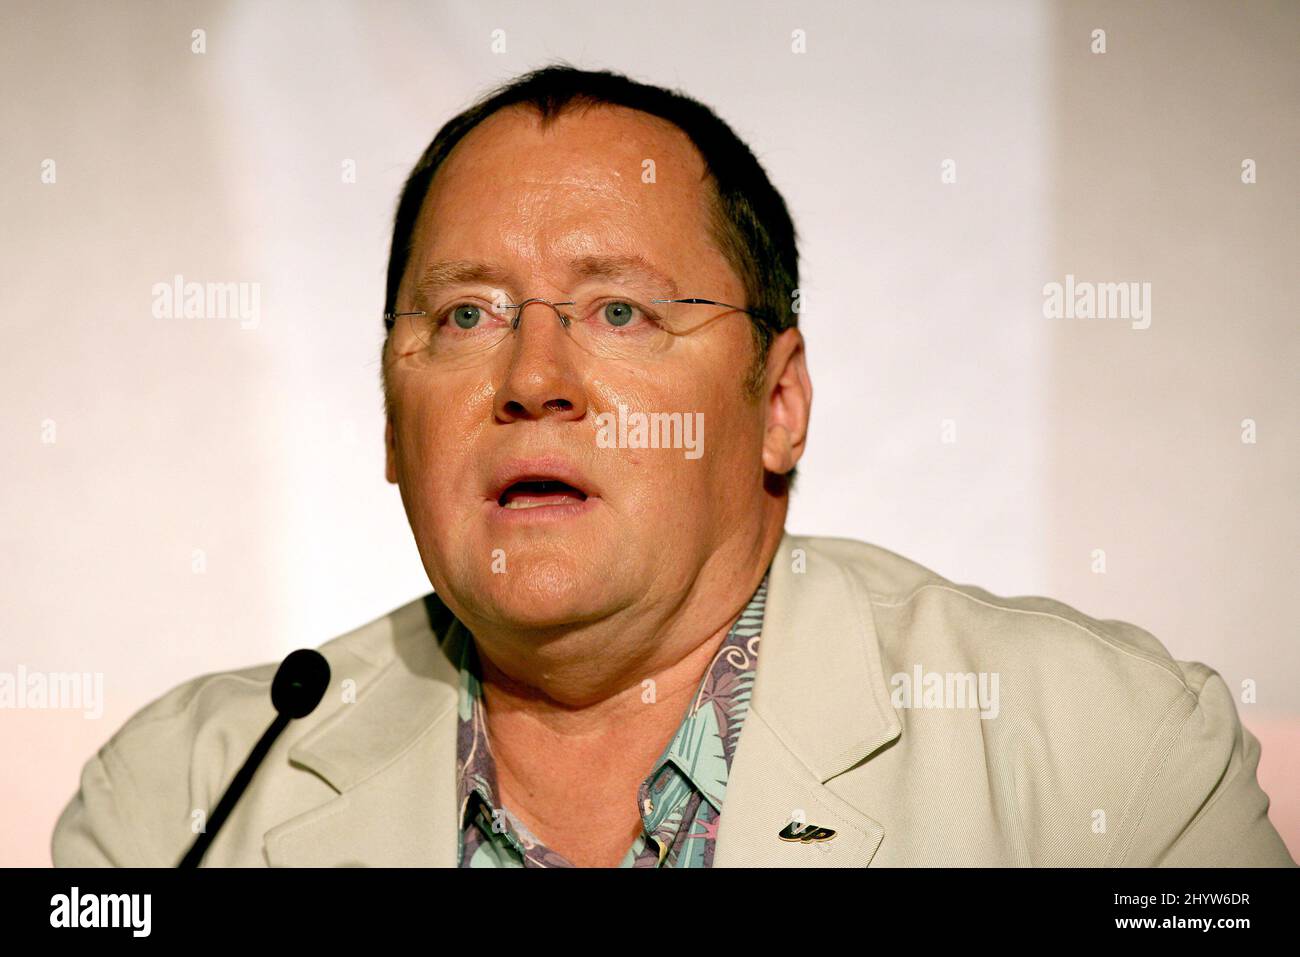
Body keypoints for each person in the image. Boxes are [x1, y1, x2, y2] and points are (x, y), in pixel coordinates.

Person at [52, 65, 1294, 868]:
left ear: (780, 404)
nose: (533, 378)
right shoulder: (180, 806)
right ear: (390, 420)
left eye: (619, 313)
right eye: (467, 316)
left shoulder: (1109, 763)